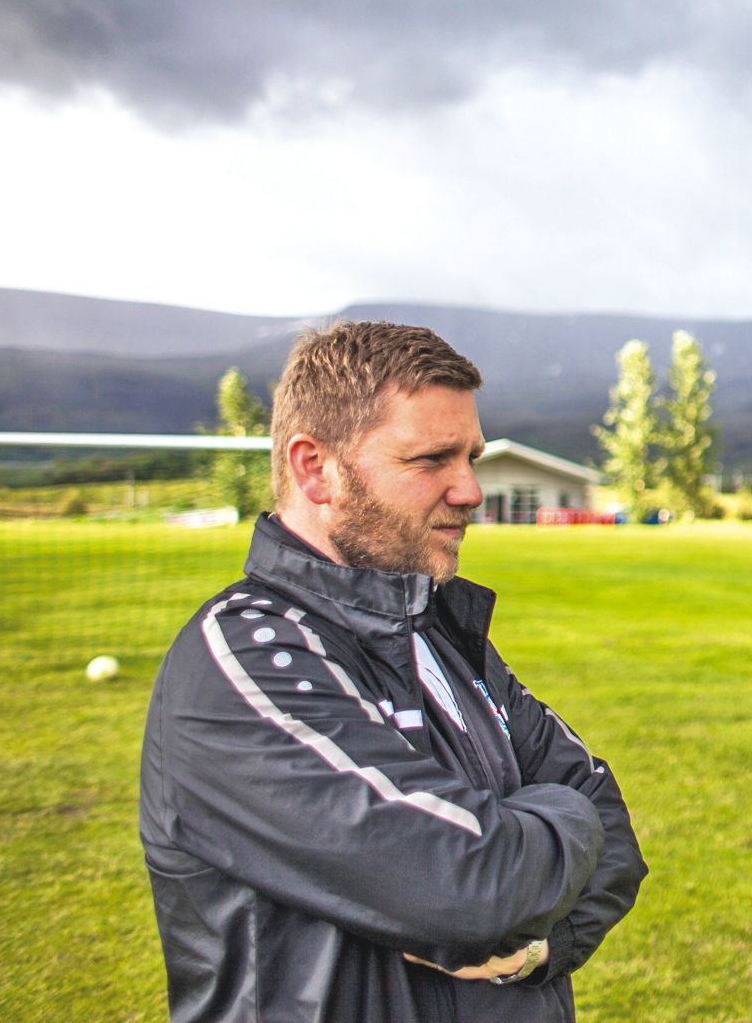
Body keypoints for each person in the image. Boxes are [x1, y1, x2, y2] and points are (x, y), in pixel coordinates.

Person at [140, 323, 647, 1022]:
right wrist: (565, 815)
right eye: (431, 459)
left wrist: (541, 947)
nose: (469, 489)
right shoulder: (239, 662)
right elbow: (476, 884)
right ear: (315, 468)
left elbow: (615, 837)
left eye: (468, 455)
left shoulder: (437, 631)